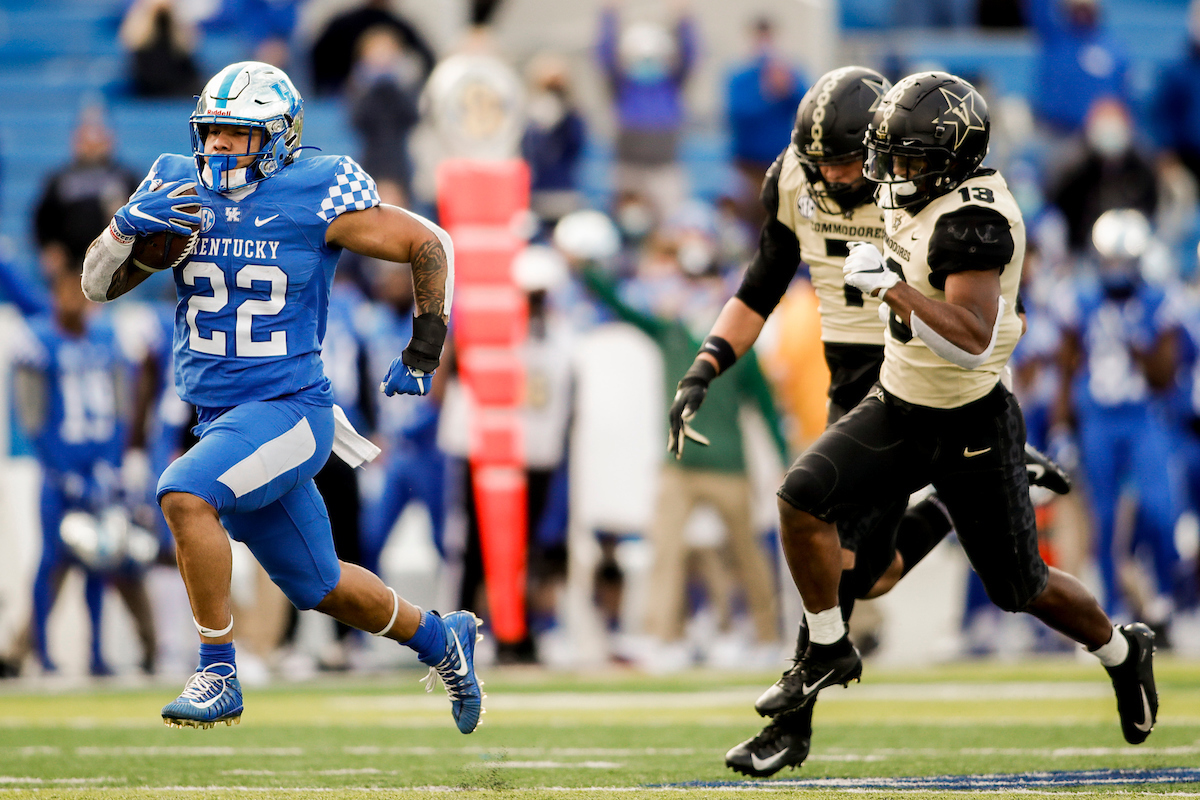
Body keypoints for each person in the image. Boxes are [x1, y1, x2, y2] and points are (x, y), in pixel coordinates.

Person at [710, 71, 1155, 758]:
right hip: (896, 405)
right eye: (888, 155)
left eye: (906, 159)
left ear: (949, 162)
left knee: (1020, 588)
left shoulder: (975, 222)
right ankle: (826, 649)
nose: (890, 173)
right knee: (801, 498)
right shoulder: (909, 191)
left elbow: (971, 340)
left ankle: (1121, 649)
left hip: (969, 422)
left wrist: (893, 289)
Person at [80, 61, 482, 734]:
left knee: (184, 493)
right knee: (319, 585)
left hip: (290, 410)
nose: (217, 145)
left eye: (236, 134)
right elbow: (97, 287)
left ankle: (217, 669)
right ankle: (444, 639)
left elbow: (428, 241)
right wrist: (122, 232)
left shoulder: (314, 189)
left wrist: (424, 346)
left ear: (278, 137)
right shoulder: (175, 183)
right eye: (211, 131)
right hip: (220, 418)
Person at [1053, 209, 1181, 638]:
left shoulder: (1157, 301)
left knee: (1160, 509)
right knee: (1104, 518)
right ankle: (1113, 610)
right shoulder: (1081, 298)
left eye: (1124, 260)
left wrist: (1138, 342)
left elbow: (1165, 377)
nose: (1117, 269)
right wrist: (1061, 427)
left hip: (1143, 417)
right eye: (1110, 259)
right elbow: (1066, 369)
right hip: (1098, 419)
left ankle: (1163, 597)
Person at [35, 108, 140, 278]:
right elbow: (43, 219)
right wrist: (49, 247)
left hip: (115, 265)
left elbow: (141, 219)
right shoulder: (60, 178)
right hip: (69, 268)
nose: (92, 144)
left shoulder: (125, 177)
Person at [725, 16, 807, 228]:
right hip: (747, 164)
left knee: (779, 222)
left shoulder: (788, 73)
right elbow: (737, 114)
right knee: (747, 221)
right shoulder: (740, 76)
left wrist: (789, 88)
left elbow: (806, 106)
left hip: (780, 163)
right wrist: (768, 95)